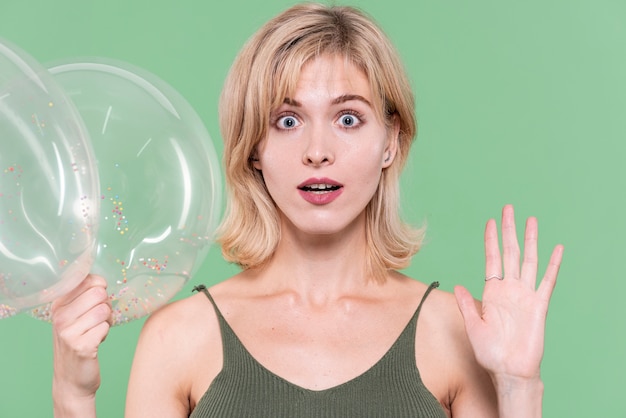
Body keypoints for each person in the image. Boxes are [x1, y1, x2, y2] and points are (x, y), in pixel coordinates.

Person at [50, 3, 564, 417]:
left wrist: (520, 386)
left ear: (391, 141)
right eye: (288, 121)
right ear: (253, 146)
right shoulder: (178, 337)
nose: (318, 150)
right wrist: (72, 393)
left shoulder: (453, 332)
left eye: (347, 118)